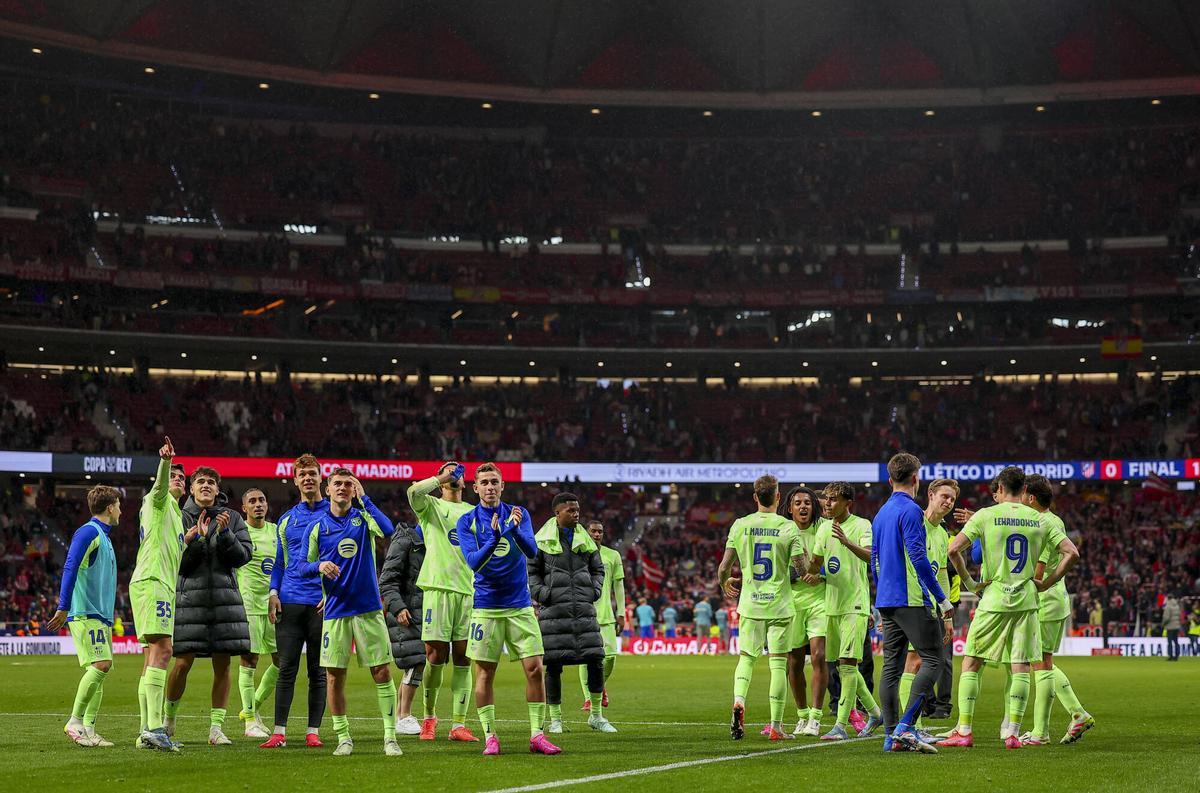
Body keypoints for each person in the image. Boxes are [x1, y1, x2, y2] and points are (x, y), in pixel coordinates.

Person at [939, 466, 1079, 750]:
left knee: (972, 662)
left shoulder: (986, 515)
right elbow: (1071, 553)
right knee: (1021, 666)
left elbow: (953, 550)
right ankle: (1013, 734)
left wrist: (969, 583)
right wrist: (1047, 581)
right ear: (1023, 489)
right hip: (1027, 600)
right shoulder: (1040, 519)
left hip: (993, 598)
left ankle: (964, 730)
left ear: (1001, 489)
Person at [457, 462, 559, 756]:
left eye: (494, 482)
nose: (490, 487)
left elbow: (532, 551)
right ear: (475, 488)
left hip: (519, 605)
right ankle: (491, 736)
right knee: (485, 673)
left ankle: (537, 735)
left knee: (535, 669)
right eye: (484, 482)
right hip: (486, 607)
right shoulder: (467, 522)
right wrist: (495, 536)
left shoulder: (519, 514)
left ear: (502, 486)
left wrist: (512, 530)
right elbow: (475, 562)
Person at [306, 468, 400, 757]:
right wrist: (319, 566)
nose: (343, 488)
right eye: (338, 484)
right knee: (334, 676)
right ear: (328, 487)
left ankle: (390, 737)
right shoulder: (318, 527)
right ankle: (343, 737)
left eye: (349, 484)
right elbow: (302, 566)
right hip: (336, 611)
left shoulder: (362, 519)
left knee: (382, 672)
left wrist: (366, 499)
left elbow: (389, 531)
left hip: (369, 609)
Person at [164, 465, 253, 746]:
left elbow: (243, 557)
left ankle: (216, 729)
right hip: (190, 600)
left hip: (225, 601)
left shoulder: (233, 518)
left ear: (217, 489)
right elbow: (176, 562)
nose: (205, 486)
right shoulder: (178, 515)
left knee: (223, 665)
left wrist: (225, 534)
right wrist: (199, 539)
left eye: (210, 483)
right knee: (182, 663)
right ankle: (169, 720)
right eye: (200, 481)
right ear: (191, 488)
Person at [717, 474, 804, 742]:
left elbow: (723, 568)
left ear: (755, 497)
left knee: (746, 659)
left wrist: (725, 583)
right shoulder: (789, 528)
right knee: (779, 664)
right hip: (779, 605)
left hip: (751, 604)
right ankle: (776, 727)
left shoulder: (740, 525)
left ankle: (739, 701)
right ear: (778, 497)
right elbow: (801, 569)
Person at [529, 493, 614, 733]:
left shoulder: (585, 540)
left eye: (577, 510)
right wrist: (544, 594)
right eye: (571, 511)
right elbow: (531, 573)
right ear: (557, 513)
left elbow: (598, 569)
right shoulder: (541, 541)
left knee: (596, 660)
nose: (576, 514)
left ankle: (596, 716)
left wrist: (594, 590)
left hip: (584, 611)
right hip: (554, 613)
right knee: (554, 666)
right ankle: (556, 720)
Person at [1020, 474, 1095, 745]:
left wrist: (1046, 580)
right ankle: (1076, 714)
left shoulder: (1040, 523)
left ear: (1031, 497)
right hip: (1056, 600)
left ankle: (1041, 732)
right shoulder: (1055, 519)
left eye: (1022, 496)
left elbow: (1040, 569)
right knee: (1043, 662)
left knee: (1040, 664)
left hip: (1044, 602)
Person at [406, 462, 477, 742]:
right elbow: (413, 492)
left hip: (469, 592)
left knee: (464, 657)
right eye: (449, 472)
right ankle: (429, 719)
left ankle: (458, 725)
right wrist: (441, 478)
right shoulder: (432, 507)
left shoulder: (474, 512)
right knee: (435, 656)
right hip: (438, 589)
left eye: (456, 473)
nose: (454, 476)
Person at [262, 454, 327, 749]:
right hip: (289, 601)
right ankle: (279, 732)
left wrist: (333, 594)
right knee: (286, 668)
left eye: (313, 473)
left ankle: (313, 731)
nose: (309, 478)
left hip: (322, 603)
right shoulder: (287, 519)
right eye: (303, 475)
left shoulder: (335, 514)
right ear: (296, 479)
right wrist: (273, 593)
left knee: (318, 670)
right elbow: (279, 563)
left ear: (320, 477)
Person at [49, 484, 121, 748]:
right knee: (101, 665)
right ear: (111, 507)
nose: (121, 511)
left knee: (101, 668)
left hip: (99, 614)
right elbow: (70, 565)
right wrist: (63, 605)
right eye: (119, 506)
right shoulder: (89, 531)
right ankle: (76, 722)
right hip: (85, 611)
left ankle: (89, 728)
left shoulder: (105, 536)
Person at [816, 481, 883, 742]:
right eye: (827, 499)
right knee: (844, 667)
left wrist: (846, 541)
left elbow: (870, 556)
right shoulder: (823, 529)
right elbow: (816, 564)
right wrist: (810, 572)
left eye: (833, 499)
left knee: (847, 665)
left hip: (855, 604)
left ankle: (840, 726)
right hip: (832, 606)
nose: (828, 503)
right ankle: (875, 713)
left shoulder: (862, 525)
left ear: (848, 503)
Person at [130, 437, 186, 752]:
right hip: (153, 581)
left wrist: (188, 540)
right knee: (164, 650)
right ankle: (154, 728)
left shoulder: (175, 515)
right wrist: (165, 463)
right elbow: (161, 487)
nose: (178, 481)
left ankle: (145, 731)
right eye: (175, 476)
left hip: (157, 583)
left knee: (153, 655)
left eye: (182, 478)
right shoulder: (158, 499)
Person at [896, 478, 957, 735]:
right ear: (930, 494)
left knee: (921, 663)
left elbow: (942, 574)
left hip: (931, 606)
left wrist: (947, 612)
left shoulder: (943, 534)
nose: (948, 502)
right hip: (911, 602)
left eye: (952, 499)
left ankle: (910, 726)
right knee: (914, 662)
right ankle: (911, 726)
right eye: (944, 496)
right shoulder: (915, 521)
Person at [779, 485, 828, 737]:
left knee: (819, 656)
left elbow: (836, 563)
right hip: (791, 603)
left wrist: (821, 574)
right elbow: (775, 571)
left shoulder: (823, 529)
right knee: (794, 662)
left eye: (807, 502)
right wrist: (797, 573)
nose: (803, 507)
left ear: (814, 507)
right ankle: (802, 715)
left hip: (819, 601)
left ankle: (816, 718)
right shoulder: (782, 533)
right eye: (797, 503)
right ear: (790, 508)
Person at [236, 487, 279, 739]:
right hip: (249, 605)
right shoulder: (240, 532)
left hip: (274, 604)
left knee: (281, 662)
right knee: (249, 661)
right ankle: (250, 721)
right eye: (252, 501)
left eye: (262, 500)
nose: (258, 504)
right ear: (244, 508)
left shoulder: (275, 531)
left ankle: (253, 707)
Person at [380, 521, 427, 736]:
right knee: (416, 661)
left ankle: (401, 715)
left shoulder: (430, 542)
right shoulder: (405, 541)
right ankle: (405, 715)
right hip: (406, 610)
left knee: (416, 660)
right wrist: (398, 607)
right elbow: (387, 580)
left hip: (423, 610)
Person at [579, 519, 625, 712]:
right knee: (585, 658)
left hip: (606, 615)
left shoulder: (612, 555)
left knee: (610, 657)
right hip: (583, 614)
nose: (597, 534)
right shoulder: (578, 555)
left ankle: (599, 685)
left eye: (600, 532)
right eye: (593, 531)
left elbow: (619, 585)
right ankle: (589, 697)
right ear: (586, 532)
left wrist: (621, 612)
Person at [1163, 593, 1182, 662]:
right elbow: (1179, 616)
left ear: (1168, 598)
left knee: (1170, 642)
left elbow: (1166, 617)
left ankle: (1170, 656)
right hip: (1176, 626)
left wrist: (1163, 624)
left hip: (1170, 627)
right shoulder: (1177, 606)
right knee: (1176, 641)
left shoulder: (1168, 606)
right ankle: (1176, 656)